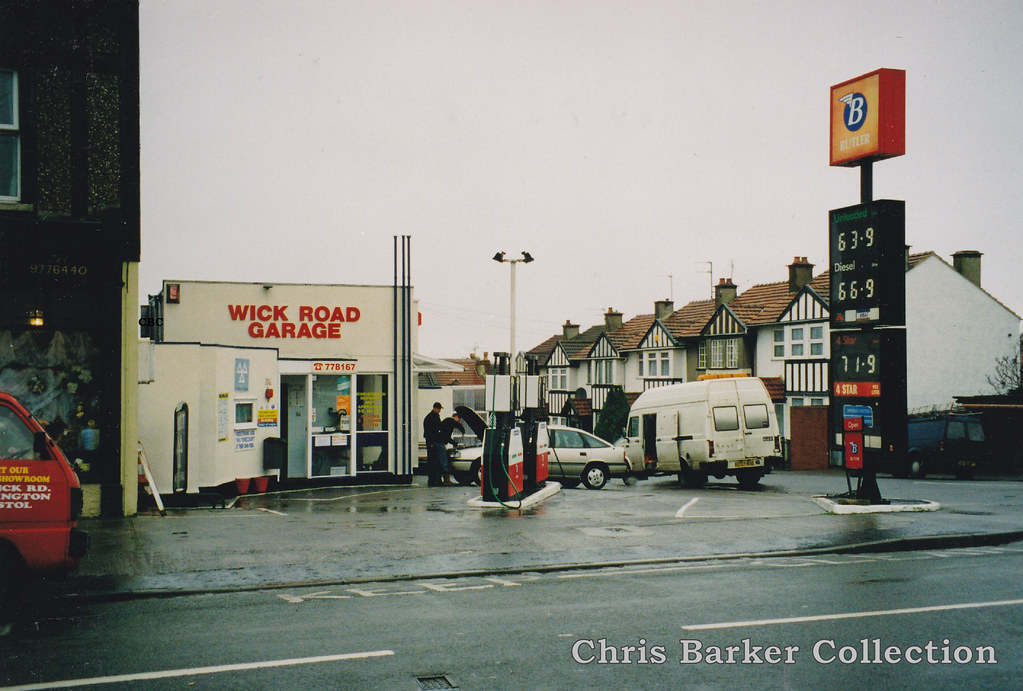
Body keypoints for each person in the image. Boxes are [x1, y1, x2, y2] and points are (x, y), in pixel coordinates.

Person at [439, 412, 465, 484]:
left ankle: (443, 479)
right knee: (444, 461)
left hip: (439, 442)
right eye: (459, 419)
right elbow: (447, 437)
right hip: (440, 443)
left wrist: (454, 443)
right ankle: (447, 480)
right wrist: (463, 431)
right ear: (456, 417)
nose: (459, 421)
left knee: (442, 461)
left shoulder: (447, 422)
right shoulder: (450, 421)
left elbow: (447, 437)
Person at [423, 402, 444, 487]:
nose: (439, 411)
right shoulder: (431, 417)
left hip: (434, 442)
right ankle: (433, 481)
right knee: (433, 462)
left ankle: (435, 480)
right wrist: (431, 443)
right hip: (432, 442)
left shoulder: (432, 416)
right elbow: (429, 431)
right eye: (438, 409)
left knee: (435, 462)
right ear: (434, 408)